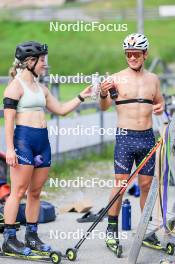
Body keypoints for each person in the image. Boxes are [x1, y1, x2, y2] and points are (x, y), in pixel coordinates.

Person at [3, 41, 91, 256]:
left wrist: (82, 96)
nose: (45, 64)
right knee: (18, 191)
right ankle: (9, 240)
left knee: (35, 192)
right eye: (42, 60)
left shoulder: (41, 88)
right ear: (29, 62)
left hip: (42, 142)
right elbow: (8, 122)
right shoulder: (15, 86)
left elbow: (60, 110)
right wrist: (10, 149)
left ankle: (31, 236)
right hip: (24, 141)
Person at [99, 33, 164, 249]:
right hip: (125, 137)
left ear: (145, 54)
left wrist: (160, 108)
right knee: (120, 185)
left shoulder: (153, 79)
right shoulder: (116, 78)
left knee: (146, 185)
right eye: (128, 54)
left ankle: (145, 231)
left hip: (147, 137)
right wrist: (102, 93)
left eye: (136, 53)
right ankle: (111, 231)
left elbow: (160, 103)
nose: (132, 57)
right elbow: (104, 106)